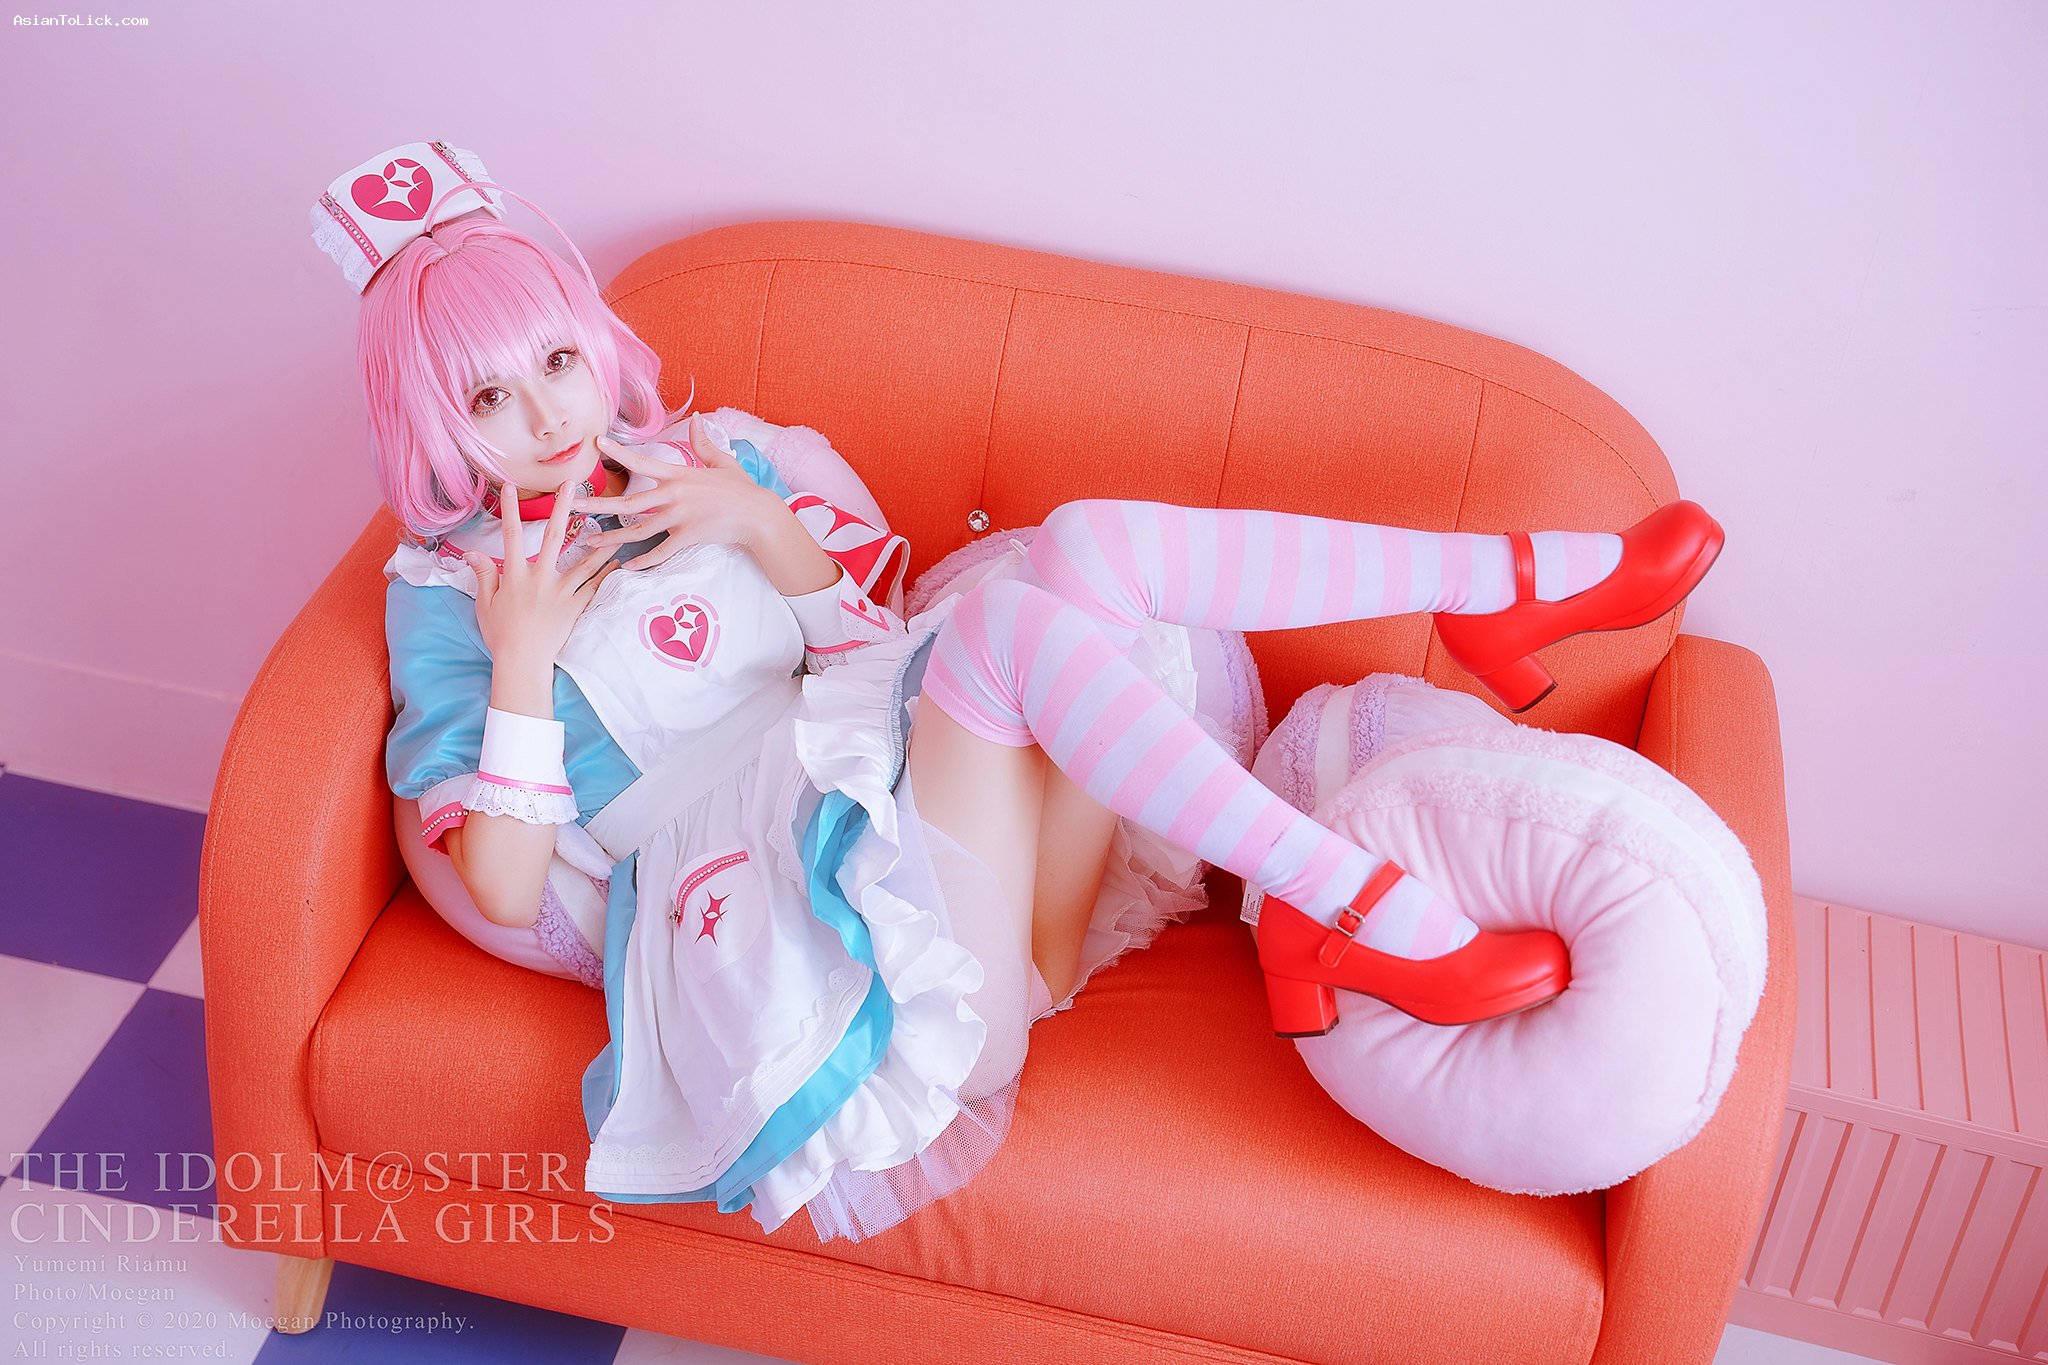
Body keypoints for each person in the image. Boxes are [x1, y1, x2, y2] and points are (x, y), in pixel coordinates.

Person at [313, 142, 1723, 1242]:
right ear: (431, 419)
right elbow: (503, 886)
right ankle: (1362, 909)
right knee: (1008, 628)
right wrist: (520, 660)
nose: (549, 417)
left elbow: (852, 655)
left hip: (935, 849)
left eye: (558, 360)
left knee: (1089, 548)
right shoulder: (447, 598)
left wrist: (755, 523)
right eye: (488, 398)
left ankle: (1511, 583)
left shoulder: (706, 458)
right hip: (802, 927)